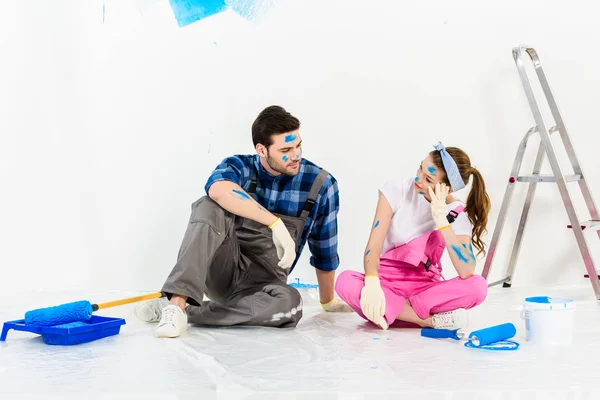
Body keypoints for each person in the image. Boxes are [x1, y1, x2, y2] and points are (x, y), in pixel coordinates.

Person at [134, 105, 352, 338]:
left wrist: (327, 300)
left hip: (266, 288)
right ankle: (176, 304)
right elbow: (218, 189)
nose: (296, 155)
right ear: (262, 150)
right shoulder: (240, 167)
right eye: (286, 149)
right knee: (208, 205)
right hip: (223, 271)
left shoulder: (320, 184)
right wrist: (274, 224)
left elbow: (324, 250)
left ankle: (188, 311)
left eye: (299, 145)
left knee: (291, 305)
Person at [334, 142, 490, 330]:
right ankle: (426, 320)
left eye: (428, 179)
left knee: (478, 286)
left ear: (447, 190)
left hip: (424, 290)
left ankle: (394, 312)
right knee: (345, 281)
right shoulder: (397, 189)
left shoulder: (456, 214)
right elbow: (373, 247)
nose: (418, 179)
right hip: (386, 285)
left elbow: (466, 270)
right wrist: (372, 283)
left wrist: (441, 219)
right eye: (420, 169)